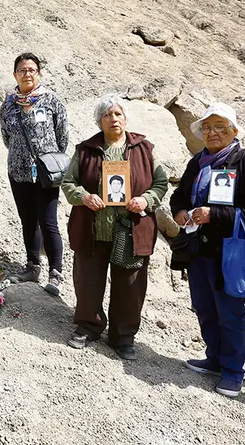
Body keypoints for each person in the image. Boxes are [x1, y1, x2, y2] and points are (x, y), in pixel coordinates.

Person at [169, 103, 245, 398]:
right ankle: (214, 357)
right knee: (203, 306)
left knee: (230, 312)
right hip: (198, 249)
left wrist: (215, 215)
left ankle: (232, 371)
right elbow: (179, 195)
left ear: (234, 131)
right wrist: (180, 212)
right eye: (207, 127)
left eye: (220, 127)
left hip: (230, 251)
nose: (212, 132)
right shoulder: (197, 162)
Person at [61, 95, 168, 360]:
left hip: (132, 229)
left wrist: (146, 199)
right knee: (87, 281)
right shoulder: (85, 150)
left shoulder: (145, 149)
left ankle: (123, 336)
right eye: (107, 115)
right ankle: (88, 325)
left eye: (118, 114)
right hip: (93, 228)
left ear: (125, 118)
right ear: (99, 121)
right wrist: (84, 197)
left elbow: (161, 183)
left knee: (131, 285)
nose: (113, 119)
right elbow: (68, 182)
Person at [0, 52, 69, 295]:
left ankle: (56, 273)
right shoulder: (8, 104)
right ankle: (32, 266)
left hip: (46, 172)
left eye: (31, 70)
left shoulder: (51, 100)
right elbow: (7, 137)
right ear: (15, 75)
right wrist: (21, 156)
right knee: (28, 220)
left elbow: (62, 136)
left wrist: (49, 159)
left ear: (38, 73)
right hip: (18, 172)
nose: (27, 74)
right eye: (22, 70)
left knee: (48, 222)